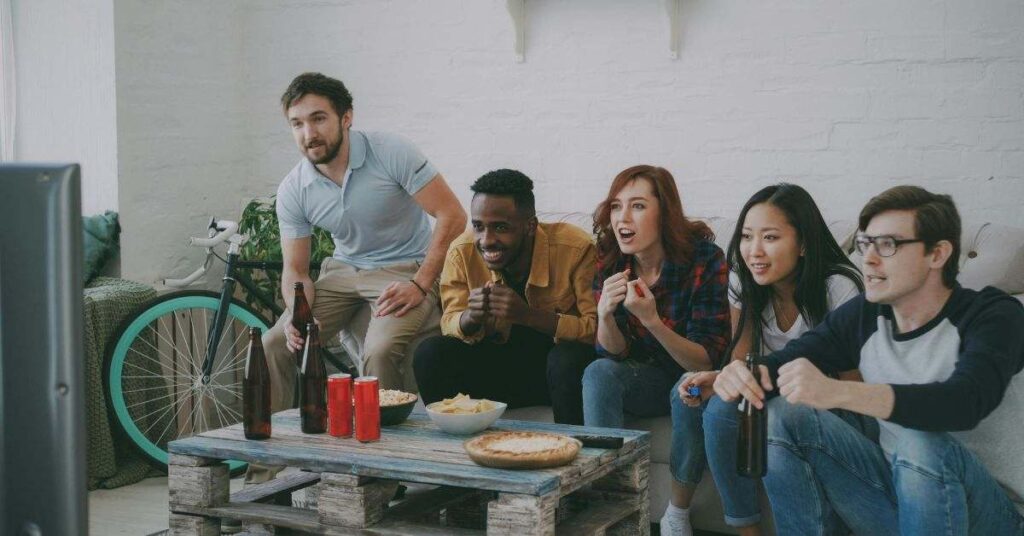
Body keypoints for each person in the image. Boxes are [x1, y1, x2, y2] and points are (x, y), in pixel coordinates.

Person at [715, 185, 1024, 535]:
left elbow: (964, 402)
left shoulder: (994, 315)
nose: (869, 260)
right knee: (784, 412)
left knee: (921, 442)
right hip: (893, 498)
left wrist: (838, 393)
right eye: (865, 245)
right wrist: (738, 374)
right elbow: (785, 361)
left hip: (990, 516)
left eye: (888, 245)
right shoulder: (866, 315)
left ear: (937, 254)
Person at [662, 184, 863, 536]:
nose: (754, 251)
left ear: (802, 244)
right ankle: (745, 530)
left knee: (728, 405)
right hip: (768, 390)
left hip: (828, 408)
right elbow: (741, 364)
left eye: (770, 237)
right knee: (705, 398)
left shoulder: (838, 288)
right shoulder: (744, 280)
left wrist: (764, 386)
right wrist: (717, 379)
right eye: (746, 237)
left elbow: (852, 387)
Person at [413, 169, 597, 425]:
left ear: (530, 226)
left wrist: (528, 316)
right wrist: (471, 318)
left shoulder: (575, 248)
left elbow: (594, 330)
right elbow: (450, 321)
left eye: (500, 227)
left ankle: (571, 453)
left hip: (556, 376)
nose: (486, 240)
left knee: (567, 358)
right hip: (497, 372)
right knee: (430, 353)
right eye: (479, 227)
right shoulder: (462, 251)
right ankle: (454, 448)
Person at [583, 165, 730, 431]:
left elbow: (705, 361)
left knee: (687, 388)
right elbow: (614, 354)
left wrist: (652, 322)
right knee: (598, 371)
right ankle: (602, 471)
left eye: (637, 206)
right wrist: (605, 315)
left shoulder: (705, 259)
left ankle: (682, 476)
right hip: (645, 380)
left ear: (665, 214)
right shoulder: (611, 257)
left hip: (697, 382)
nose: (622, 218)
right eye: (616, 207)